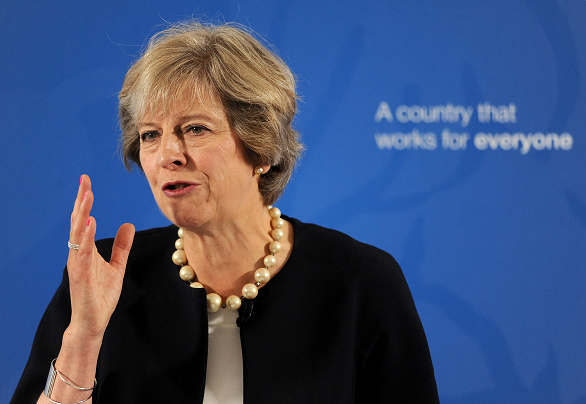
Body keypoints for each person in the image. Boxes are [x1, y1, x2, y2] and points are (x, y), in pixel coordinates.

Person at [12, 21, 439, 403]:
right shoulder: (104, 277)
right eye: (149, 135)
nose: (167, 155)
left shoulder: (360, 282)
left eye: (194, 129)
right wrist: (84, 338)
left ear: (262, 147)